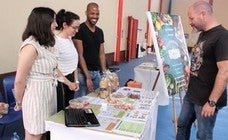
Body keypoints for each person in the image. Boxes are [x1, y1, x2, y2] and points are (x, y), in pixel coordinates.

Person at [13, 7, 75, 140]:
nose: (56, 24)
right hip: (35, 97)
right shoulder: (30, 46)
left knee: (44, 131)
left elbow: (54, 69)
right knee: (34, 134)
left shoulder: (47, 43)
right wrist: (19, 102)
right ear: (43, 23)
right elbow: (19, 80)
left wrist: (69, 83)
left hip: (48, 95)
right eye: (53, 21)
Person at [176, 1, 228, 140]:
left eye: (191, 18)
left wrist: (212, 102)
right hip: (192, 93)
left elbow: (225, 72)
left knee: (203, 135)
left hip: (207, 99)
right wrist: (191, 69)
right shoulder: (203, 34)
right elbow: (202, 60)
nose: (190, 22)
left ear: (203, 14)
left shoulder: (222, 37)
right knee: (182, 125)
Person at [73, 2, 106, 97]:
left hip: (96, 73)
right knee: (81, 104)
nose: (95, 16)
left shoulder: (100, 32)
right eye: (92, 13)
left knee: (98, 100)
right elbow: (80, 55)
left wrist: (104, 74)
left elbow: (102, 54)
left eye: (97, 14)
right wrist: (87, 77)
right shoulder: (80, 29)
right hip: (82, 74)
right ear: (86, 13)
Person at [55, 9, 80, 111]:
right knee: (61, 111)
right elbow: (54, 67)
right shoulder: (55, 41)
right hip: (61, 81)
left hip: (71, 79)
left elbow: (74, 62)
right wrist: (69, 83)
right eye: (74, 27)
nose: (77, 30)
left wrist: (76, 80)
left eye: (78, 27)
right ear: (65, 25)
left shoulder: (69, 39)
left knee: (69, 108)